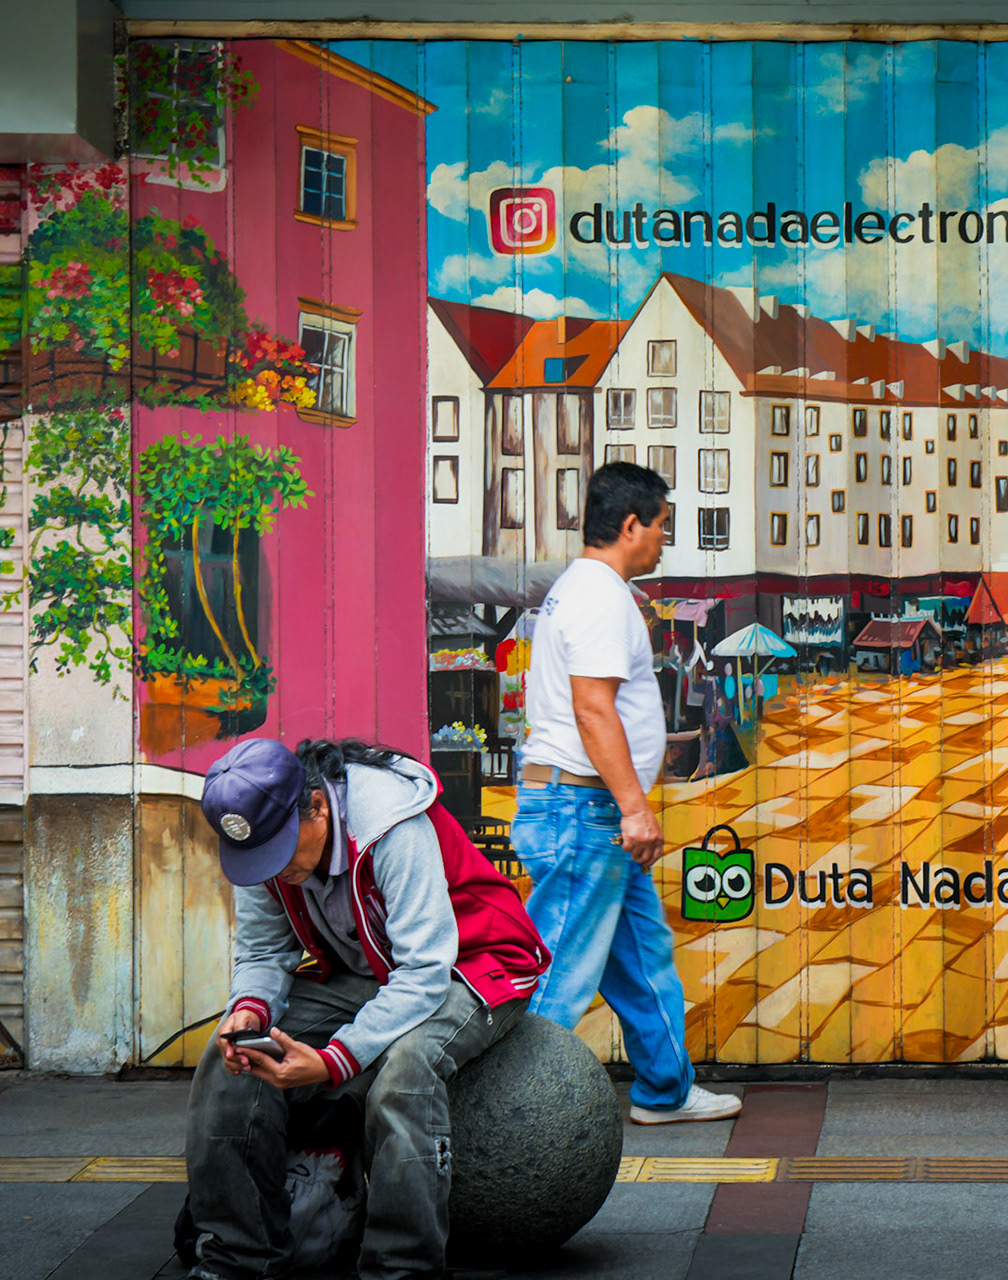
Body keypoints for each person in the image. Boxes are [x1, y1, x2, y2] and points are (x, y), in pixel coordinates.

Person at [186, 737, 549, 1280]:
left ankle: (402, 1267)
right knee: (229, 1059)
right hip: (374, 973)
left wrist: (335, 1059)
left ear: (319, 807)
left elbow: (425, 973)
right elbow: (263, 952)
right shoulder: (264, 844)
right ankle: (242, 1257)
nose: (275, 868)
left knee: (404, 1075)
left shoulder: (391, 826)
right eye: (260, 857)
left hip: (472, 966)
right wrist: (250, 1010)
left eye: (282, 850)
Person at [512, 462, 741, 1125]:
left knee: (643, 957)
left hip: (591, 812)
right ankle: (500, 1114)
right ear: (631, 524)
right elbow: (593, 709)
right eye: (662, 524)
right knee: (556, 977)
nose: (665, 539)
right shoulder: (601, 596)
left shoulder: (583, 590)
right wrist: (635, 807)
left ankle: (665, 1090)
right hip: (586, 815)